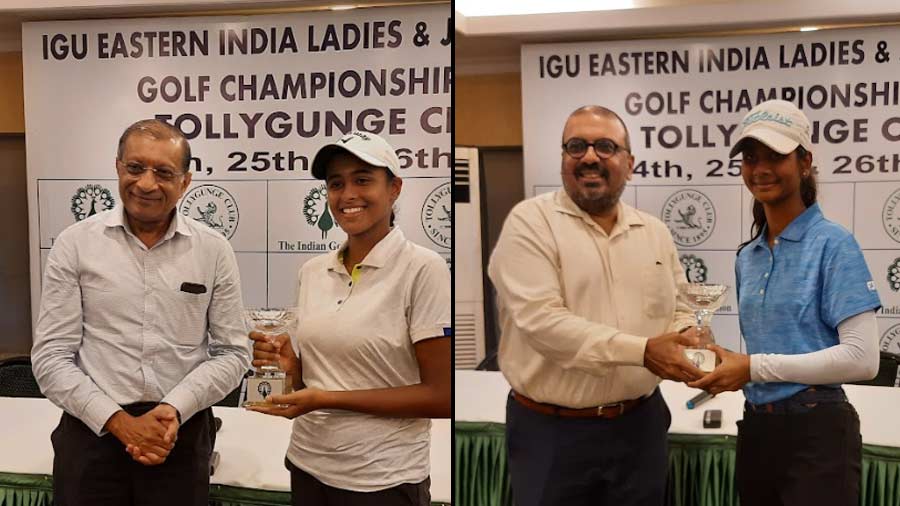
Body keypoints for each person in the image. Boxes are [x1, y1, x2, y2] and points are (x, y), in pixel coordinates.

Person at [487, 105, 706, 506]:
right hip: (552, 435)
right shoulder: (530, 223)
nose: (589, 157)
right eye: (576, 146)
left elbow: (681, 304)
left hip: (641, 428)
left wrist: (688, 333)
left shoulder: (654, 232)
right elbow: (543, 323)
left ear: (630, 163)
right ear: (563, 159)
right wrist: (643, 351)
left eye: (605, 146)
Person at [31, 119, 251, 506]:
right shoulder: (75, 245)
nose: (147, 184)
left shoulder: (213, 251)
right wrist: (120, 424)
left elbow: (234, 353)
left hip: (178, 435)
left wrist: (171, 409)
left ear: (186, 182)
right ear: (118, 167)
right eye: (135, 168)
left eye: (164, 172)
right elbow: (51, 357)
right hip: (91, 434)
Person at [689, 99, 881, 506]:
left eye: (776, 156)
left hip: (819, 433)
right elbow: (765, 355)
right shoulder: (748, 256)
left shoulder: (834, 243)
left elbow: (864, 360)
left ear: (805, 161)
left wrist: (752, 367)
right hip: (758, 430)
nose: (760, 168)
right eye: (750, 157)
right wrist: (724, 364)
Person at [248, 130, 451, 506]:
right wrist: (292, 368)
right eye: (336, 183)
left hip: (382, 481)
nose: (347, 195)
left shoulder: (424, 269)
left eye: (362, 179)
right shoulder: (312, 271)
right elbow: (314, 377)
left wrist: (326, 398)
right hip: (308, 466)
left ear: (394, 189)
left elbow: (442, 396)